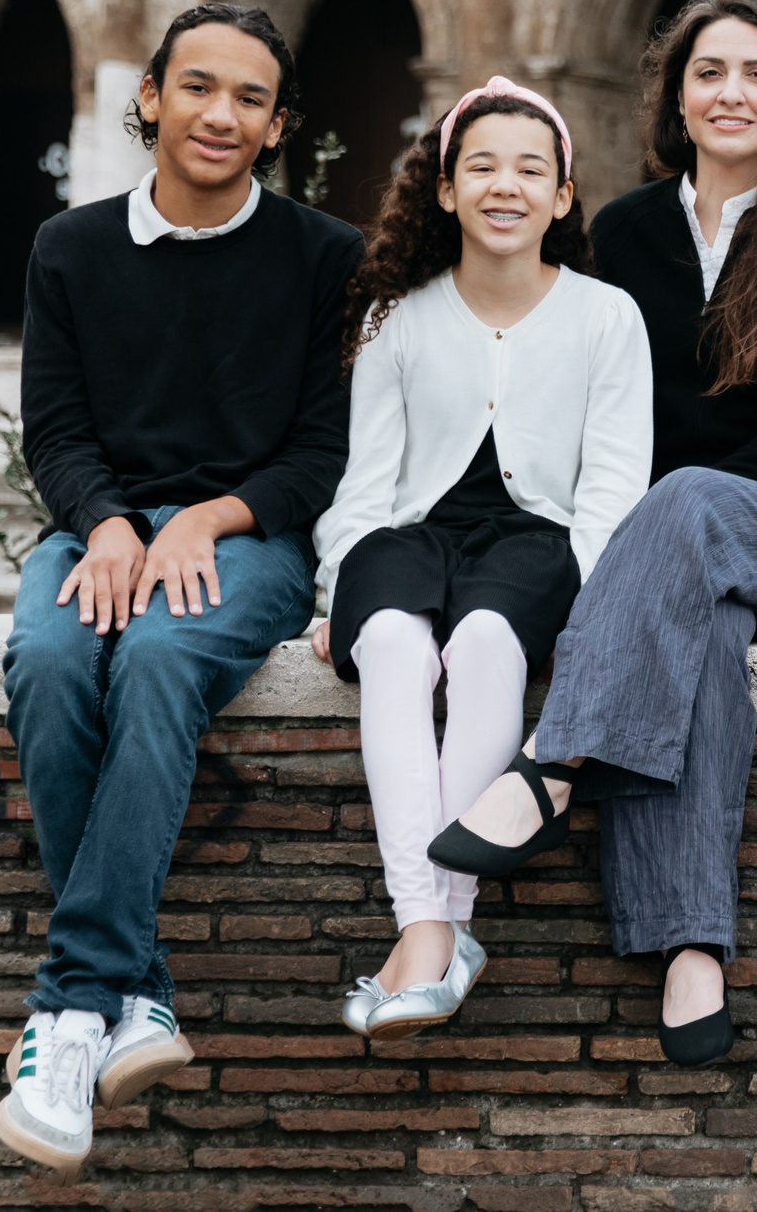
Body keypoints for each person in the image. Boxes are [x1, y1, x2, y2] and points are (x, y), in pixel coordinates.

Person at [429, 0, 757, 1068]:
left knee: (689, 505)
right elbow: (584, 406)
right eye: (709, 72)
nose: (732, 93)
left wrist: (668, 512)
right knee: (702, 646)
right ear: (676, 99)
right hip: (668, 560)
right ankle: (691, 944)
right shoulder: (625, 232)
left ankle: (554, 761)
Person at [0, 4, 362, 1181]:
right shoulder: (70, 248)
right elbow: (52, 432)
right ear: (149, 95)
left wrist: (204, 517)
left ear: (277, 124)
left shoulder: (325, 257)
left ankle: (65, 1011)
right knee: (50, 661)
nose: (220, 115)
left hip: (245, 535)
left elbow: (319, 453)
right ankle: (136, 995)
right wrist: (104, 524)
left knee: (158, 660)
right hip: (100, 528)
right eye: (197, 87)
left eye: (249, 98)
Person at [308, 80, 650, 1041]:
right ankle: (434, 926)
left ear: (564, 195)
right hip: (408, 535)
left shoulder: (607, 317)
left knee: (491, 646)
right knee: (392, 649)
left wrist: (582, 597)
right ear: (448, 190)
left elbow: (613, 492)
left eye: (531, 170)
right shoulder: (394, 314)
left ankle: (434, 930)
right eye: (483, 167)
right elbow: (366, 484)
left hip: (537, 542)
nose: (508, 186)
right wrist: (338, 584)